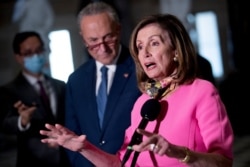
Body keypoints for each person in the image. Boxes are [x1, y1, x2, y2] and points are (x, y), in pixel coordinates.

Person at [40, 13, 234, 166]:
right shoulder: (143, 103)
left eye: (155, 43)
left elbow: (223, 162)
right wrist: (84, 147)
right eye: (140, 47)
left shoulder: (201, 91)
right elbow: (120, 164)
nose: (145, 53)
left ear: (175, 50)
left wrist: (176, 152)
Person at [63, 2, 141, 167]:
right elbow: (73, 133)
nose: (103, 48)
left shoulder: (141, 68)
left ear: (118, 30)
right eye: (93, 41)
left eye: (108, 37)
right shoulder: (75, 80)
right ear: (83, 39)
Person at [0, 31, 69, 167]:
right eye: (28, 53)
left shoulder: (61, 86)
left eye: (38, 50)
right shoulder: (8, 91)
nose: (36, 56)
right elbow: (5, 124)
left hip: (66, 159)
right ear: (18, 57)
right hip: (34, 161)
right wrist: (22, 121)